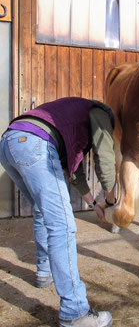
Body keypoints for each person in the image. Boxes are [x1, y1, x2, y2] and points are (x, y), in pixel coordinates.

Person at [0, 96, 116, 327]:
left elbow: (73, 170)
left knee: (43, 211)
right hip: (35, 142)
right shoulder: (101, 112)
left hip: (9, 142)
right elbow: (105, 156)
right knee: (62, 225)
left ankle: (44, 272)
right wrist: (111, 201)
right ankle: (75, 313)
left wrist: (94, 205)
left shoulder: (71, 118)